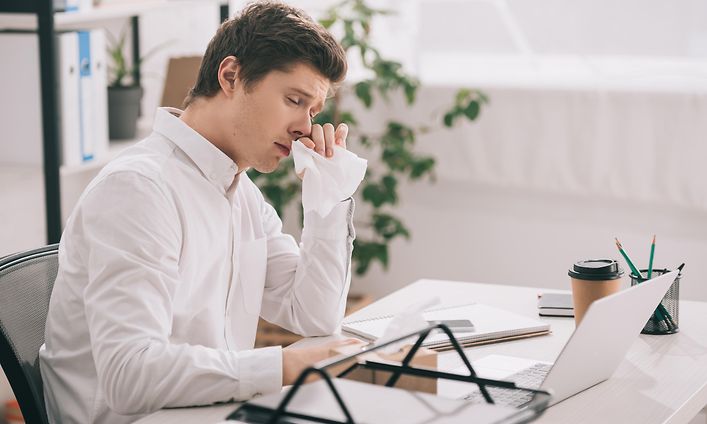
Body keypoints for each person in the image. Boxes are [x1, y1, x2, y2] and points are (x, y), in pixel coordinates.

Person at [39, 2, 360, 423]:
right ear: (231, 76)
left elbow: (313, 314)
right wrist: (283, 366)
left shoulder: (239, 191)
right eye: (294, 100)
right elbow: (129, 375)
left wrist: (328, 199)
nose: (305, 126)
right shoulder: (139, 188)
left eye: (312, 111)